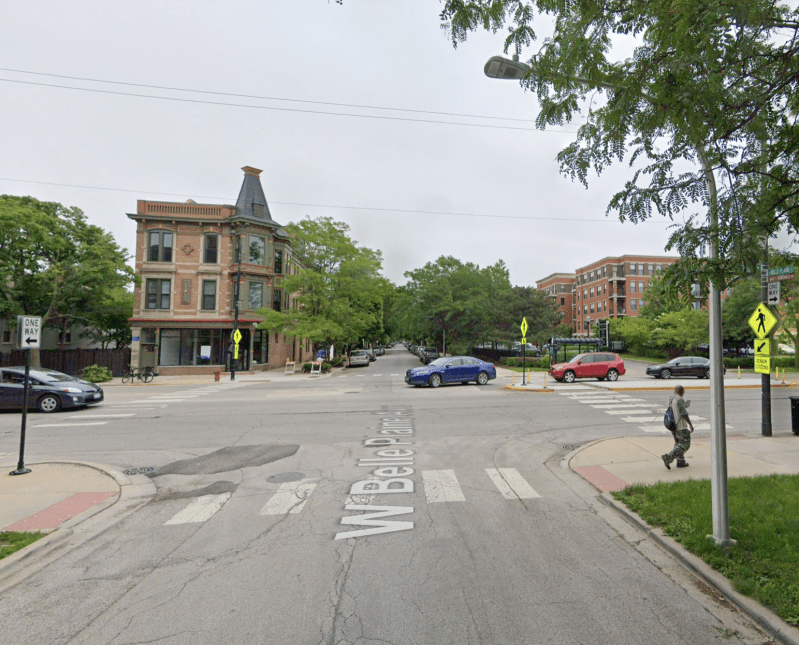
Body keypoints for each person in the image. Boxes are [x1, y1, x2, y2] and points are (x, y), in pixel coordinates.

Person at [662, 385, 694, 470]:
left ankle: (681, 461)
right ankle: (668, 457)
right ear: (681, 391)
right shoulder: (679, 399)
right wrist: (690, 424)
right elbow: (683, 413)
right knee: (685, 444)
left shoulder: (671, 399)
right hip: (680, 426)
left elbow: (676, 409)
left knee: (678, 443)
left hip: (672, 425)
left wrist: (685, 405)